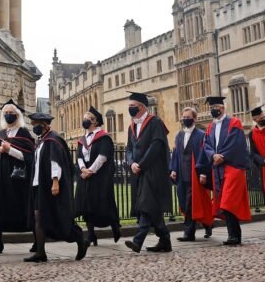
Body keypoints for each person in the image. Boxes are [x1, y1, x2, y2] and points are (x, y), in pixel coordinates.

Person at [24, 111, 87, 263]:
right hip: (39, 185)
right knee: (39, 217)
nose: (34, 128)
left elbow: (55, 162)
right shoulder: (42, 140)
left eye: (36, 125)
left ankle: (79, 238)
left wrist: (55, 181)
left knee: (58, 216)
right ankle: (40, 252)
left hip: (50, 185)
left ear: (44, 125)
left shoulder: (53, 140)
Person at [123, 92, 173, 254]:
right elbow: (129, 148)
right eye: (129, 106)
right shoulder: (133, 125)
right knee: (152, 207)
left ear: (143, 107)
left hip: (153, 171)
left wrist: (142, 164)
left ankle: (138, 241)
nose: (130, 109)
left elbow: (156, 145)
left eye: (133, 106)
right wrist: (132, 163)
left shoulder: (155, 122)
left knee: (146, 204)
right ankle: (165, 240)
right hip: (138, 171)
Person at [198, 96, 250, 246]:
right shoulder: (210, 127)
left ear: (222, 107)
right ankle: (233, 235)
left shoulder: (234, 123)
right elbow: (206, 145)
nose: (213, 109)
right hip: (218, 169)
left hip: (233, 167)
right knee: (224, 202)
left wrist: (223, 156)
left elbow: (237, 143)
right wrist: (213, 155)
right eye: (211, 107)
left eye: (216, 107)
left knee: (229, 201)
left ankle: (235, 235)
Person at [0, 99, 34, 255]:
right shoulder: (2, 134)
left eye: (11, 113)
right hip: (3, 179)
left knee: (24, 208)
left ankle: (37, 241)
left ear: (17, 115)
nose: (8, 116)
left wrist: (10, 149)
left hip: (19, 180)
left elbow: (29, 157)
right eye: (6, 113)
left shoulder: (24, 133)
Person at [75, 106, 122, 246]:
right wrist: (83, 168)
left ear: (95, 122)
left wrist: (91, 171)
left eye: (87, 119)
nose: (84, 121)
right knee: (86, 205)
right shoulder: (83, 139)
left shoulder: (103, 137)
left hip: (100, 177)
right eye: (84, 119)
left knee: (102, 204)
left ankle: (115, 226)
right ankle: (91, 235)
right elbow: (79, 156)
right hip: (85, 176)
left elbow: (102, 157)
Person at [169, 106, 214, 242]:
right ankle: (207, 223)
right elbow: (176, 154)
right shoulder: (179, 135)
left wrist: (203, 173)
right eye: (184, 117)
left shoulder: (201, 135)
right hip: (182, 175)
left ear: (194, 119)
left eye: (188, 117)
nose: (185, 119)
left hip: (195, 175)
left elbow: (205, 155)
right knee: (184, 203)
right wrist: (173, 170)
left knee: (191, 205)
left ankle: (189, 233)